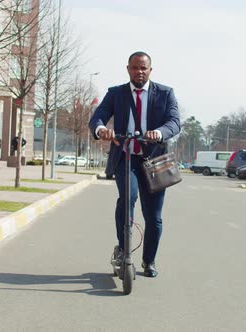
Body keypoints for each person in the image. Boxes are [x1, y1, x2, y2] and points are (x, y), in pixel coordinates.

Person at [88, 51, 180, 278]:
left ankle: (149, 260)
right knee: (127, 199)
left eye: (144, 68)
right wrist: (101, 130)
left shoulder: (165, 93)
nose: (139, 72)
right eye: (135, 68)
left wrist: (159, 133)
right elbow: (97, 117)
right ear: (128, 68)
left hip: (154, 161)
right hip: (125, 158)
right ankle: (123, 249)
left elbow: (175, 122)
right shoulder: (116, 94)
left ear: (150, 70)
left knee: (154, 216)